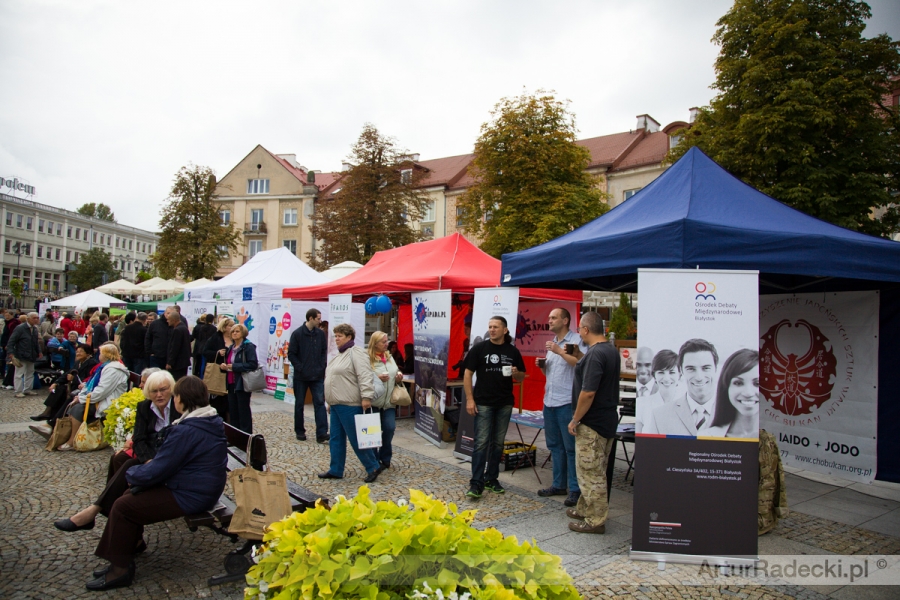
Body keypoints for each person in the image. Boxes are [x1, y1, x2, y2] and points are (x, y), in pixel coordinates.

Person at [83, 375, 226, 591]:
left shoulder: (188, 428)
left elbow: (160, 468)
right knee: (127, 498)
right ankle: (125, 554)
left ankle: (120, 570)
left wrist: (132, 475)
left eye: (174, 395)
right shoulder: (204, 420)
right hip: (194, 485)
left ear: (181, 400)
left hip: (192, 493)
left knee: (124, 506)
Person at [53, 371, 181, 533]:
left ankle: (95, 510)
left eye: (163, 390)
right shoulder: (144, 407)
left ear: (171, 389)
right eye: (154, 391)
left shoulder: (178, 407)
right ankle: (102, 514)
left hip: (171, 461)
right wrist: (148, 460)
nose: (159, 395)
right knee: (123, 462)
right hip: (153, 458)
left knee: (126, 465)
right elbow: (140, 438)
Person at [566, 311, 619, 534]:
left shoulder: (596, 354)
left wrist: (575, 419)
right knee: (595, 468)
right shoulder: (610, 350)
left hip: (593, 422)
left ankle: (595, 521)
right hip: (606, 419)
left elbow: (588, 392)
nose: (579, 332)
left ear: (586, 330)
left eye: (580, 329)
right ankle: (585, 508)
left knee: (590, 473)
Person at [463, 315, 526, 499]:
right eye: (490, 326)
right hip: (483, 402)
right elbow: (468, 374)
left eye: (496, 327)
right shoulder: (479, 348)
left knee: (498, 444)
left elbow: (521, 377)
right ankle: (476, 483)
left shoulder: (512, 351)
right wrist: (469, 399)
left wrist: (517, 373)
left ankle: (492, 478)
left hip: (504, 403)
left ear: (505, 330)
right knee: (481, 444)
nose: (492, 329)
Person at [318, 323, 381, 483]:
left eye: (339, 336)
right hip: (337, 404)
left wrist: (366, 396)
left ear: (349, 337)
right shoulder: (339, 355)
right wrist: (330, 402)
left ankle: (373, 466)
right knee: (336, 438)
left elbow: (365, 375)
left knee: (356, 438)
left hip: (350, 404)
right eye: (336, 336)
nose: (336, 339)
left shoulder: (356, 353)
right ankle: (336, 469)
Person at [536, 308, 586, 507]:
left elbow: (580, 364)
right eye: (549, 317)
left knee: (571, 448)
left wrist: (558, 352)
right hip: (550, 401)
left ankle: (575, 489)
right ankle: (558, 484)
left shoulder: (575, 341)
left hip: (567, 402)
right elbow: (553, 373)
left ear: (565, 320)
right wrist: (543, 366)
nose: (549, 320)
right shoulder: (554, 343)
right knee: (554, 446)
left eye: (553, 317)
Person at [57, 343, 130, 451]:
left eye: (100, 353)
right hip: (101, 398)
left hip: (109, 401)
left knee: (77, 408)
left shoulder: (113, 370)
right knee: (74, 403)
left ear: (106, 355)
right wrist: (80, 396)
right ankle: (71, 436)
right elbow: (90, 385)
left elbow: (102, 391)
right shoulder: (104, 366)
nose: (98, 355)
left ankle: (72, 440)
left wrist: (82, 399)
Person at [643, 339, 719, 437]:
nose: (699, 377)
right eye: (691, 369)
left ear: (715, 368)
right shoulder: (659, 415)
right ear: (681, 371)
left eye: (706, 368)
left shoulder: (736, 415)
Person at [32, 343, 99, 424]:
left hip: (82, 388)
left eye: (81, 352)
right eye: (77, 351)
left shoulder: (91, 363)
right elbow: (67, 373)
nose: (78, 353)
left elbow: (88, 380)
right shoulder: (78, 362)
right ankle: (48, 412)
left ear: (88, 354)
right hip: (75, 386)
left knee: (64, 393)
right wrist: (56, 383)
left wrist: (73, 379)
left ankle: (54, 420)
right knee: (58, 388)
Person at [287, 308, 327, 443]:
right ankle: (299, 430)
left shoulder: (320, 334)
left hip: (317, 375)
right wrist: (300, 367)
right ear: (310, 318)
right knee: (299, 404)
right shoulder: (297, 334)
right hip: (301, 376)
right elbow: (291, 353)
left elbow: (323, 351)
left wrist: (322, 366)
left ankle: (322, 432)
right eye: (318, 318)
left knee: (319, 403)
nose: (320, 321)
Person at [368, 331, 404, 472]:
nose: (386, 344)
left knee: (389, 428)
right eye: (383, 341)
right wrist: (377, 376)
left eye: (386, 341)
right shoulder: (368, 358)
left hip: (389, 401)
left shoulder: (389, 357)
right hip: (374, 401)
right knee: (374, 432)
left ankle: (386, 457)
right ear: (375, 343)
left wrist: (398, 376)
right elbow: (363, 376)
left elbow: (394, 371)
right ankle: (374, 459)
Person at [707, 349, 759, 438]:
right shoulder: (707, 436)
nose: (748, 393)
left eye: (757, 384)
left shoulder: (783, 438)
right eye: (738, 383)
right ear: (726, 388)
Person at [219, 323, 257, 433]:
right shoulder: (231, 347)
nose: (234, 333)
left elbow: (253, 364)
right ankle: (235, 436)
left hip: (242, 383)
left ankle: (246, 436)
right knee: (233, 412)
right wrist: (224, 367)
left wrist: (235, 367)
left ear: (243, 333)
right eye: (233, 331)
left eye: (237, 331)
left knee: (243, 411)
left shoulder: (248, 346)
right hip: (231, 383)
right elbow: (229, 363)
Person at [635, 349, 679, 433]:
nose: (666, 378)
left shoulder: (689, 405)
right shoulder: (642, 404)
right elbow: (639, 438)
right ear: (654, 375)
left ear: (680, 374)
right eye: (661, 372)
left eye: (672, 372)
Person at [202, 317, 234, 420]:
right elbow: (205, 352)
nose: (232, 328)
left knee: (230, 401)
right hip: (218, 374)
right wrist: (217, 353)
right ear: (224, 327)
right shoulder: (216, 338)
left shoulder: (235, 338)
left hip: (231, 374)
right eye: (230, 326)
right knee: (219, 400)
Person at [8, 311, 42, 397]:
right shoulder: (20, 328)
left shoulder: (34, 329)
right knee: (19, 374)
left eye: (37, 318)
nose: (36, 320)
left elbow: (35, 342)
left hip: (31, 354)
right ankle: (18, 391)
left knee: (30, 373)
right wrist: (11, 353)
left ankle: (27, 389)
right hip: (21, 354)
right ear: (28, 319)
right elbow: (12, 341)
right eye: (34, 318)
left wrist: (39, 351)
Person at [165, 309, 191, 381]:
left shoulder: (177, 330)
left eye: (168, 319)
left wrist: (170, 362)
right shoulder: (184, 328)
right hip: (183, 362)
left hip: (177, 363)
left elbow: (175, 347)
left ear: (174, 320)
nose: (167, 321)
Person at [190, 313, 216, 378]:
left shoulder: (202, 328)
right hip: (209, 347)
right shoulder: (214, 328)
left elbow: (199, 337)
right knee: (208, 363)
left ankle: (201, 377)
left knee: (202, 363)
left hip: (201, 346)